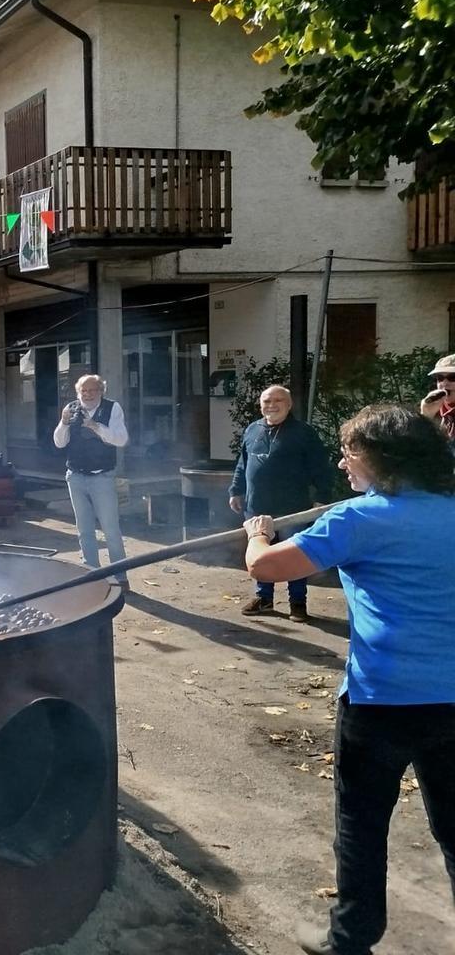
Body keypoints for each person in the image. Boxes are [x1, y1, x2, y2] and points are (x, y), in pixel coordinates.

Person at [243, 404, 455, 955]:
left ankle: (351, 937)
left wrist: (258, 534)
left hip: (381, 703)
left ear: (381, 460)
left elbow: (266, 568)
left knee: (361, 826)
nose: (342, 464)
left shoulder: (358, 519)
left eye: (350, 454)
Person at [229, 385, 333, 621]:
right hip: (257, 508)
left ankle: (297, 602)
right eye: (267, 401)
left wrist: (322, 498)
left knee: (294, 556)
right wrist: (236, 491)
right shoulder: (252, 430)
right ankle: (263, 598)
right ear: (260, 405)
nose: (272, 405)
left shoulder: (303, 433)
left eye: (278, 400)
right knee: (262, 556)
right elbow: (242, 464)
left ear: (289, 404)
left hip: (292, 509)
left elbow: (321, 467)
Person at [52, 374, 129, 583]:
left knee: (111, 530)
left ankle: (120, 577)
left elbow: (121, 439)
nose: (88, 395)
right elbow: (59, 442)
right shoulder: (71, 408)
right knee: (84, 530)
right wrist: (64, 423)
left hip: (102, 477)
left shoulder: (112, 408)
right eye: (84, 391)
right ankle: (91, 575)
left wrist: (95, 426)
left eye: (93, 390)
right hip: (75, 477)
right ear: (78, 392)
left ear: (101, 391)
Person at [418, 352, 455, 445]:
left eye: (452, 377)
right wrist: (426, 417)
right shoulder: (434, 409)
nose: (444, 383)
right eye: (440, 378)